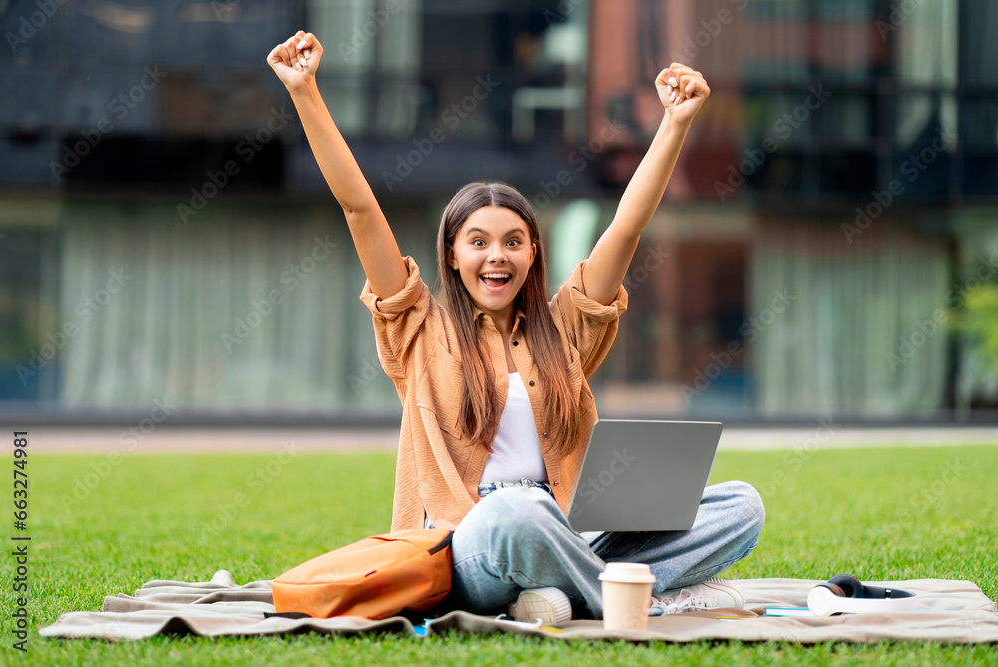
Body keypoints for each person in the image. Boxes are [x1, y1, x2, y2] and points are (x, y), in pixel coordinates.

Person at [267, 30, 764, 623]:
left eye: (512, 242)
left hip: (573, 538)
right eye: (477, 242)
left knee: (741, 505)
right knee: (516, 512)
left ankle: (560, 596)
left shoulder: (563, 332)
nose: (495, 256)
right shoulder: (418, 330)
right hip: (469, 552)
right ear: (452, 254)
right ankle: (639, 600)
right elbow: (359, 208)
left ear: (533, 253)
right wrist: (305, 93)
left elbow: (626, 230)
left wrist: (675, 123)